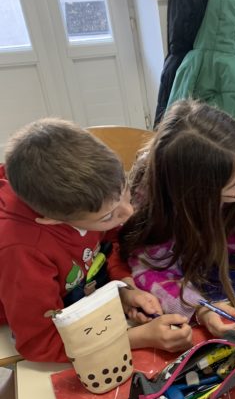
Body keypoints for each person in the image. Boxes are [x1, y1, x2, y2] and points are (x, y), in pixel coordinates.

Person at [0, 119, 193, 364]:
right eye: (108, 217)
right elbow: (41, 343)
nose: (128, 213)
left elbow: (109, 245)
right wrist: (136, 338)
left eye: (125, 191)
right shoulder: (21, 250)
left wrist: (123, 289)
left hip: (77, 304)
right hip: (26, 322)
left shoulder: (85, 203)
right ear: (52, 220)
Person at [119, 99, 235, 336]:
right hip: (202, 274)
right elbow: (151, 269)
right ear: (196, 197)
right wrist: (201, 310)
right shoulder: (154, 200)